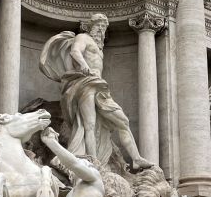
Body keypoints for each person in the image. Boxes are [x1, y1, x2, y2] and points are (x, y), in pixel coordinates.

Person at [40, 14, 152, 171]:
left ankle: (136, 159)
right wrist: (84, 64)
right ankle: (93, 162)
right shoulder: (83, 37)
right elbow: (75, 52)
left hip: (99, 86)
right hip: (85, 83)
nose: (101, 30)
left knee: (123, 121)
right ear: (90, 27)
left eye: (103, 27)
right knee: (89, 125)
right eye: (98, 26)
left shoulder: (99, 48)